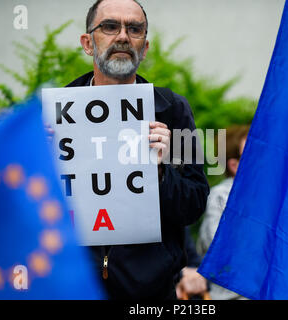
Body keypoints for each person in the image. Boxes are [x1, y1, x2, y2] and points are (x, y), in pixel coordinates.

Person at [63, 0, 209, 300]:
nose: (122, 36)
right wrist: (42, 162)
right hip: (75, 284)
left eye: (134, 29)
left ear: (144, 47)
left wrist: (160, 171)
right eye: (109, 26)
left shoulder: (172, 110)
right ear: (87, 43)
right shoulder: (53, 113)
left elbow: (194, 203)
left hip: (151, 291)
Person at [197, 125, 249, 300]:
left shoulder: (276, 194)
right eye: (253, 153)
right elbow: (219, 246)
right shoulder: (221, 197)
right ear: (234, 165)